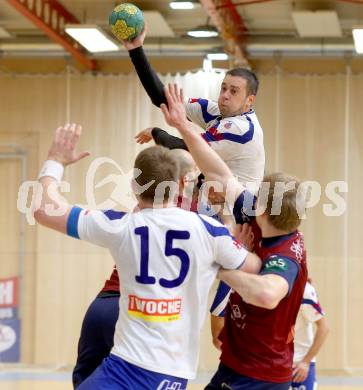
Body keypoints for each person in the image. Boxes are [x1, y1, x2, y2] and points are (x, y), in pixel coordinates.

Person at [33, 123, 261, 389]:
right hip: (172, 373)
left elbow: (43, 209)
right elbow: (254, 267)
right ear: (180, 184)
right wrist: (230, 251)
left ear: (133, 186)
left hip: (127, 365)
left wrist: (55, 161)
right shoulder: (210, 231)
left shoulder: (122, 225)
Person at [161, 83, 308, 389]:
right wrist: (182, 125)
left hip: (259, 376)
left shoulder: (287, 254)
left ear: (264, 210)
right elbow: (218, 172)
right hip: (236, 364)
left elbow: (267, 294)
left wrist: (221, 265)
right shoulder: (262, 218)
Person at [71, 148, 201, 388]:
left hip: (100, 307)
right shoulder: (196, 218)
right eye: (194, 172)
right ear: (182, 180)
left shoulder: (142, 210)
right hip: (135, 313)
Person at [122, 30, 265, 187]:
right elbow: (162, 99)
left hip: (236, 209)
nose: (225, 95)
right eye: (223, 88)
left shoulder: (241, 128)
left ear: (249, 100)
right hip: (215, 202)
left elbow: (190, 148)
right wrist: (136, 50)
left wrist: (156, 132)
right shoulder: (218, 111)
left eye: (233, 91)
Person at [291, 280, 329, 390]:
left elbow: (324, 328)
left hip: (299, 362)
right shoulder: (264, 283)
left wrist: (305, 362)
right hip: (274, 362)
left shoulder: (304, 290)